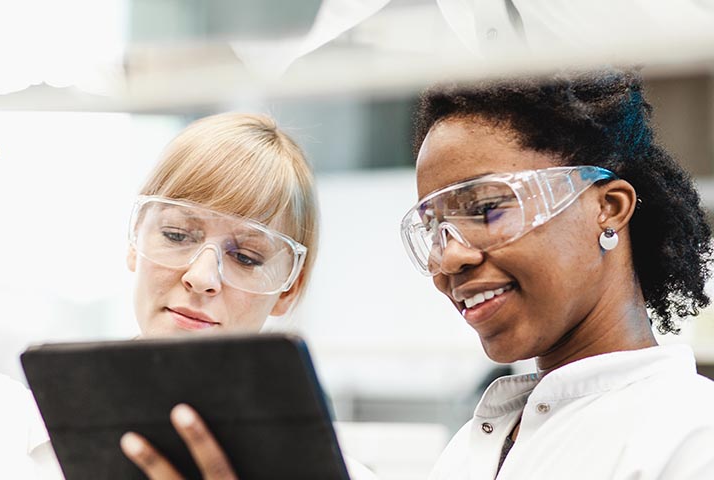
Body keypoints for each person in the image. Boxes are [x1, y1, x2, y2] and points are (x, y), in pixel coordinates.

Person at [120, 71, 714, 480]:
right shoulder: (482, 443)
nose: (446, 259)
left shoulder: (691, 437)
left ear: (607, 208)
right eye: (434, 227)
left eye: (487, 209)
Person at [0, 112, 364, 479]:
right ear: (134, 245)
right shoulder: (7, 427)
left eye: (246, 256)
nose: (202, 275)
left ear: (288, 291)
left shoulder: (339, 475)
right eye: (177, 234)